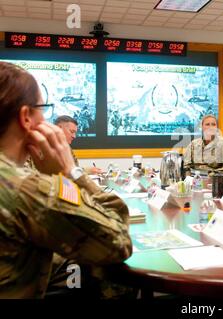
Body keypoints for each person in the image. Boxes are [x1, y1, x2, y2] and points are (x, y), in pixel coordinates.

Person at [0, 61, 132, 298]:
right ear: (26, 117)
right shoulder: (26, 188)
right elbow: (119, 241)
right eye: (42, 108)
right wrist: (71, 172)